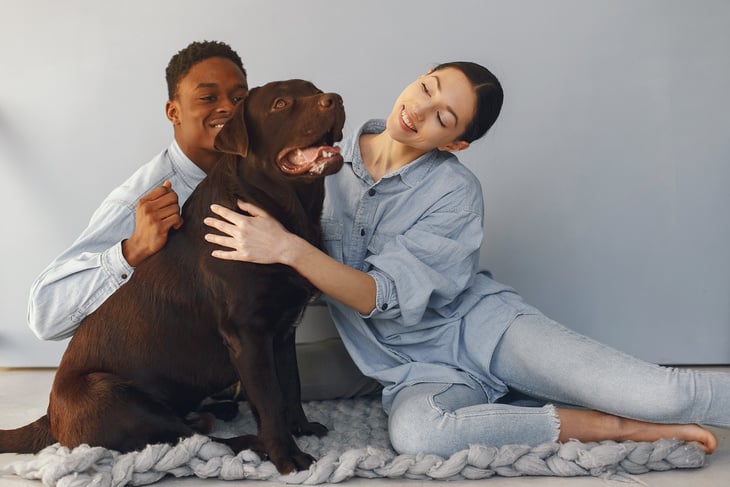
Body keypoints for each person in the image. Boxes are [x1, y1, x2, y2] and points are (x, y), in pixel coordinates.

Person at [202, 61, 730, 456]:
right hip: (407, 368)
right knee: (418, 435)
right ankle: (613, 428)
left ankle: (643, 411)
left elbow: (381, 296)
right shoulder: (320, 164)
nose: (420, 111)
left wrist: (287, 249)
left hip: (486, 333)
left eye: (443, 117)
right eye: (427, 88)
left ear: (455, 144)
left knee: (662, 394)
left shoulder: (455, 193)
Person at [27, 40, 248, 340]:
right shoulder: (140, 202)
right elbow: (44, 316)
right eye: (208, 97)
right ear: (174, 112)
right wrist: (132, 250)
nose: (228, 108)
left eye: (239, 97)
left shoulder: (255, 175)